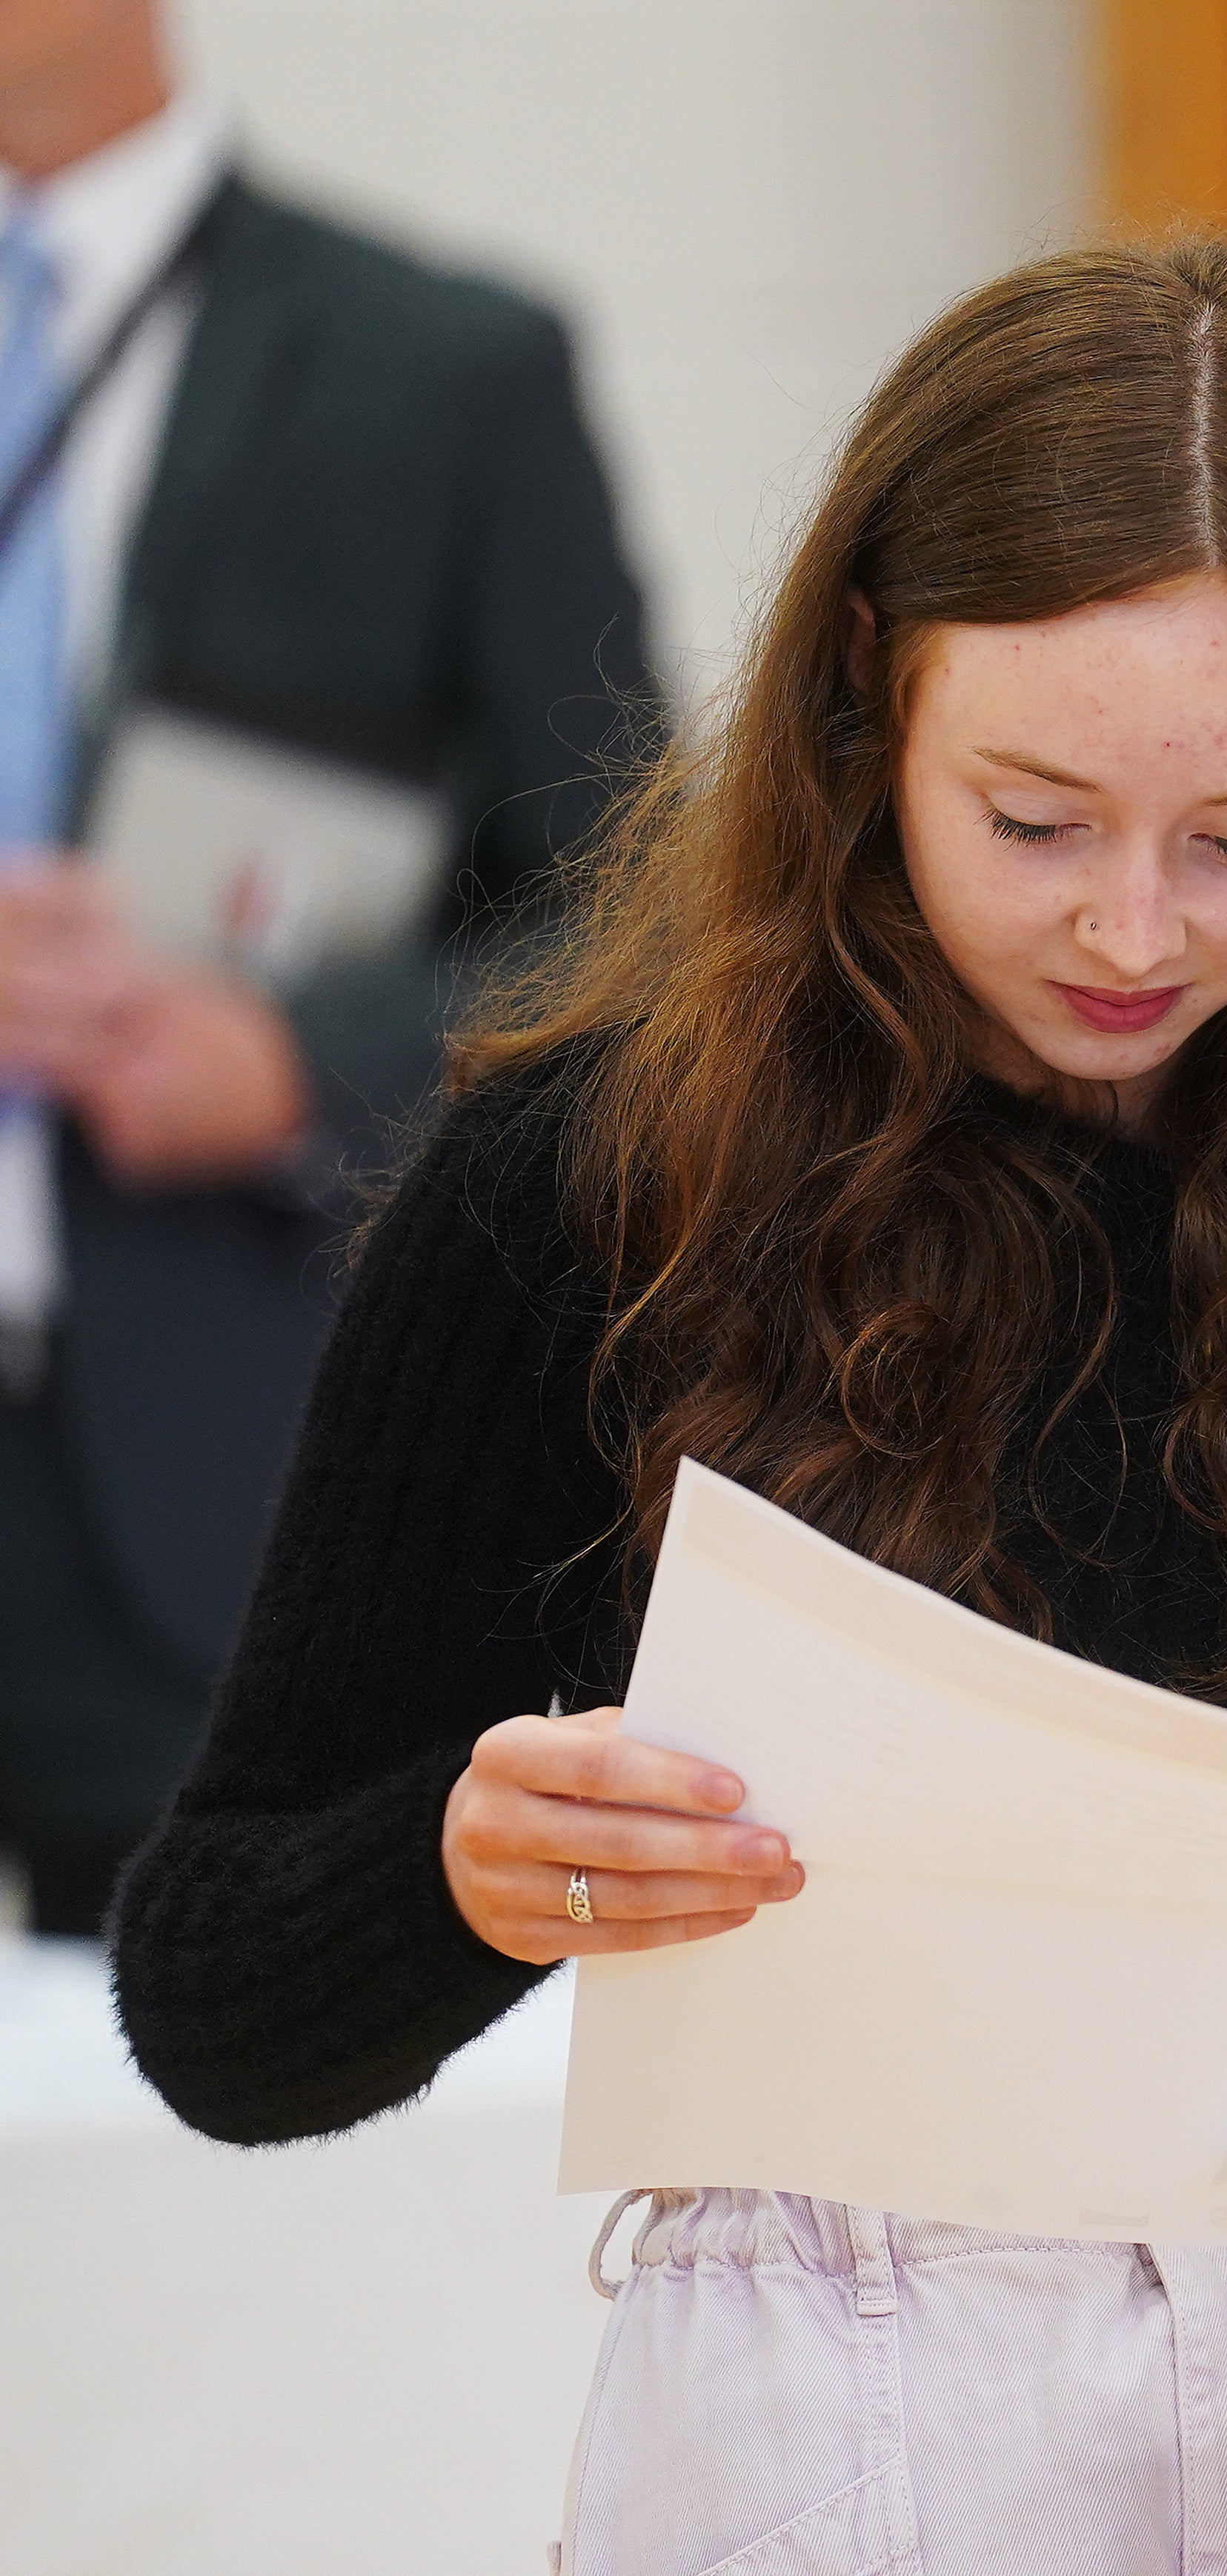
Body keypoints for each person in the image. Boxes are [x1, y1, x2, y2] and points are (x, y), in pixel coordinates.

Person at [112, 238, 1227, 2573]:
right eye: (1031, 820)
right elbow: (218, 1993)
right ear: (864, 692)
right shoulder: (590, 1177)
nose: (1133, 932)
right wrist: (462, 1858)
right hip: (840, 2417)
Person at [0, 0, 648, 1937]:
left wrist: (295, 1061)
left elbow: (641, 901)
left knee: (212, 2177)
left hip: (212, 1471)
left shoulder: (434, 368)